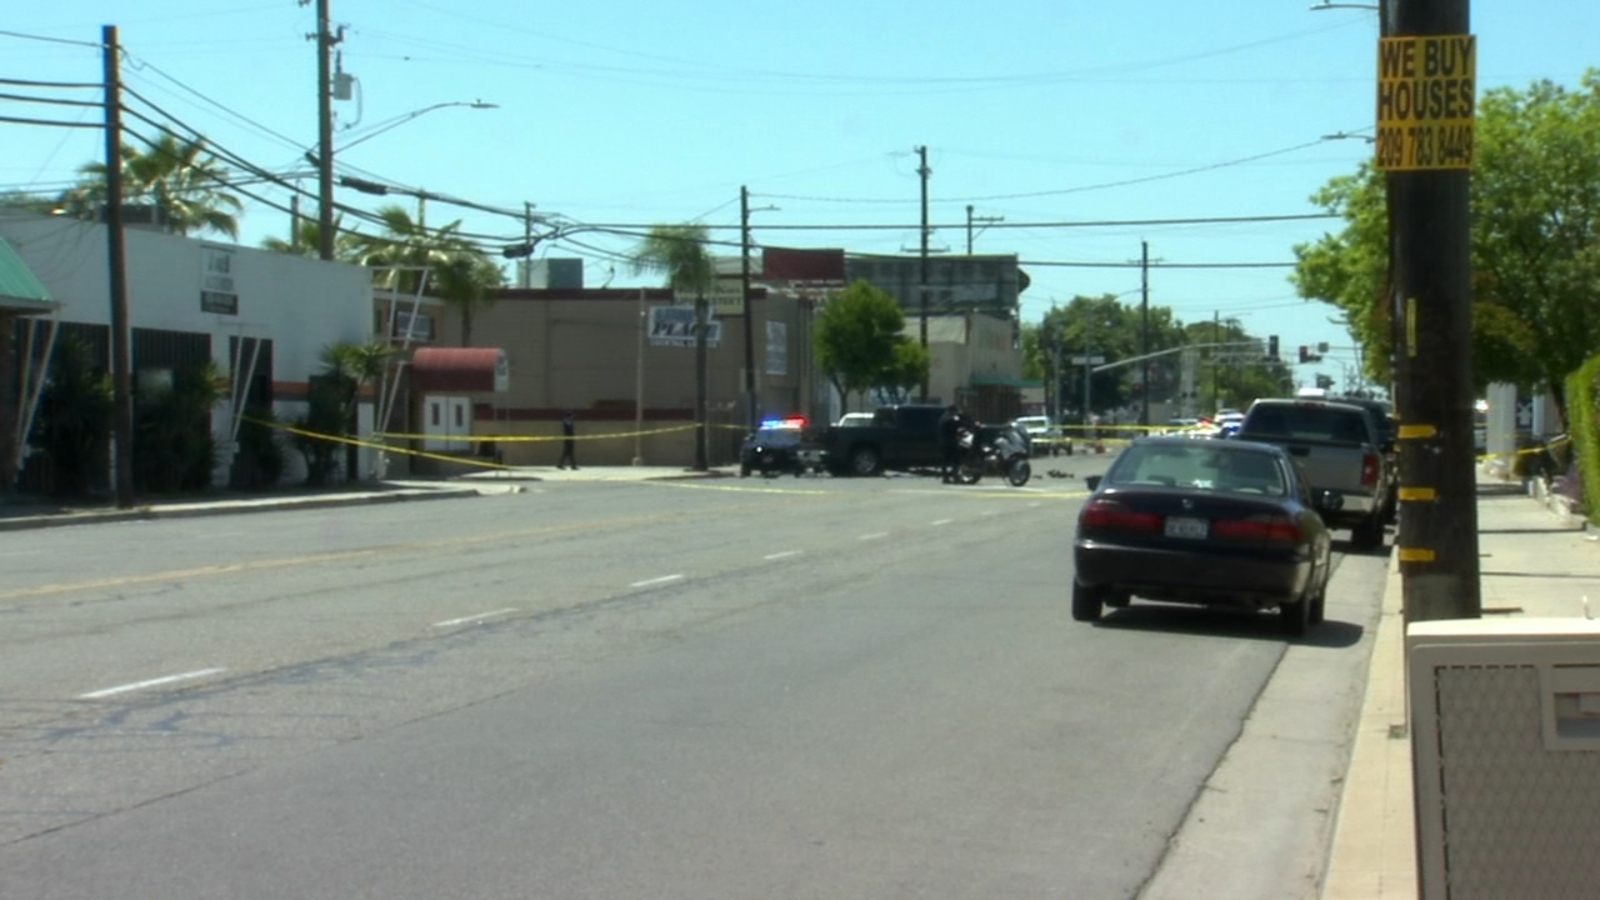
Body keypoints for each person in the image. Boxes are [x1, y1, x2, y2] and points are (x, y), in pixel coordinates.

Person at [938, 404, 971, 484]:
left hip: (943, 442)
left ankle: (946, 477)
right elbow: (958, 424)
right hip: (951, 442)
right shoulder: (952, 418)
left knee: (945, 461)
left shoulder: (943, 417)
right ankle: (955, 477)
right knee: (955, 460)